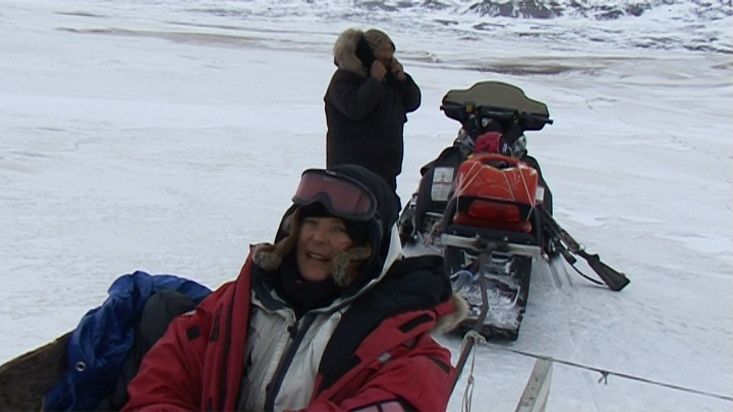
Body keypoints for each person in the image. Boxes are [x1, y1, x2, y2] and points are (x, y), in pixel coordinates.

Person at [123, 164, 466, 411]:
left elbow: (409, 396)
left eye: (338, 231)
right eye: (311, 223)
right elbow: (165, 376)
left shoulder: (406, 346)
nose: (317, 238)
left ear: (368, 249)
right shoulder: (239, 302)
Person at [324, 28, 421, 195]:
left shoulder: (388, 77)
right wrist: (374, 81)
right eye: (384, 55)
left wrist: (402, 80)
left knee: (384, 214)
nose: (389, 60)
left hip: (386, 169)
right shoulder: (345, 78)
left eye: (391, 55)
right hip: (352, 170)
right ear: (368, 54)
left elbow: (412, 103)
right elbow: (354, 108)